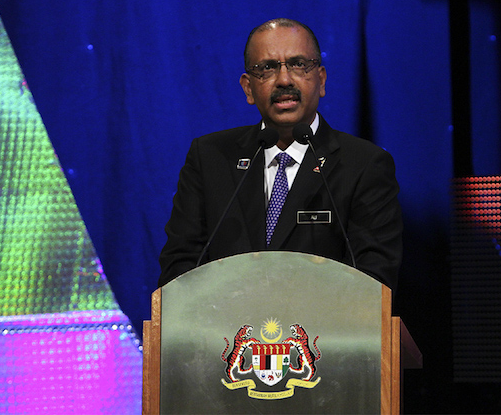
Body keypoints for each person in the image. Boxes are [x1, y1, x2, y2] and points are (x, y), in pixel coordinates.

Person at [158, 18, 402, 289]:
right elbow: (179, 272)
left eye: (298, 64)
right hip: (228, 329)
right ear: (248, 88)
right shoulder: (210, 158)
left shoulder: (363, 165)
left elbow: (373, 280)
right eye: (267, 68)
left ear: (321, 80)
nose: (284, 79)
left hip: (321, 329)